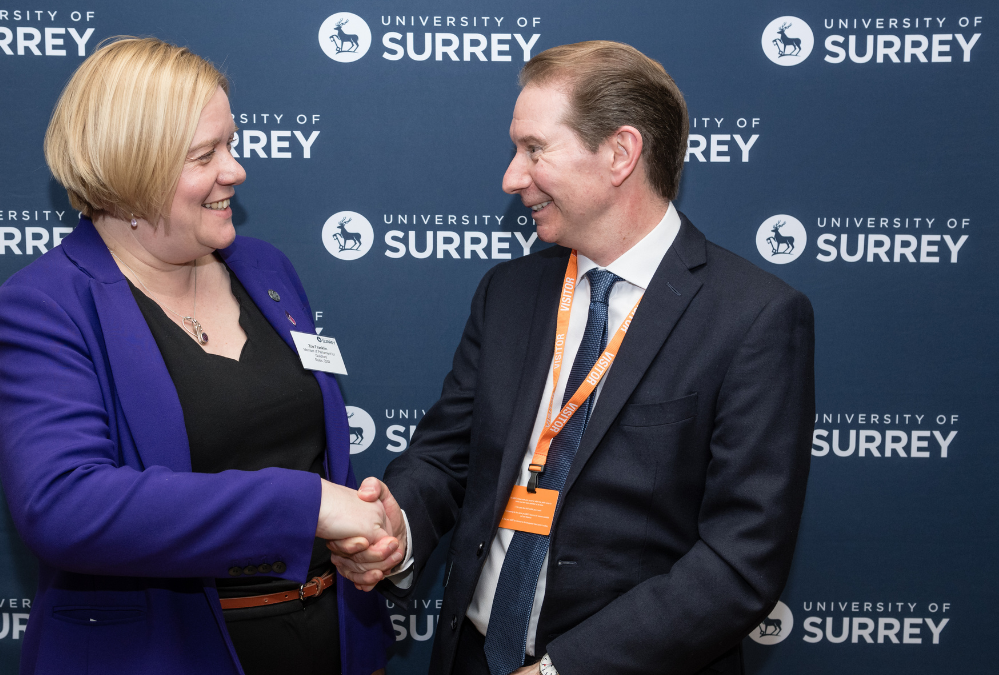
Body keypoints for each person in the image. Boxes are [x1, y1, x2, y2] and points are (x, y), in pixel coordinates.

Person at [329, 41, 815, 675]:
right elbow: (446, 455)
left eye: (535, 149)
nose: (511, 177)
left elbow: (739, 561)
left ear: (620, 153)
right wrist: (397, 525)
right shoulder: (509, 293)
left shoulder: (753, 317)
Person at [0, 37, 394, 675]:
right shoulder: (46, 304)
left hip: (327, 640)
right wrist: (308, 506)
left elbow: (299, 442)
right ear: (130, 170)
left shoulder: (265, 269)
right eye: (206, 155)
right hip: (162, 653)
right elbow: (65, 505)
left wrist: (363, 526)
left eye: (231, 144)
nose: (236, 170)